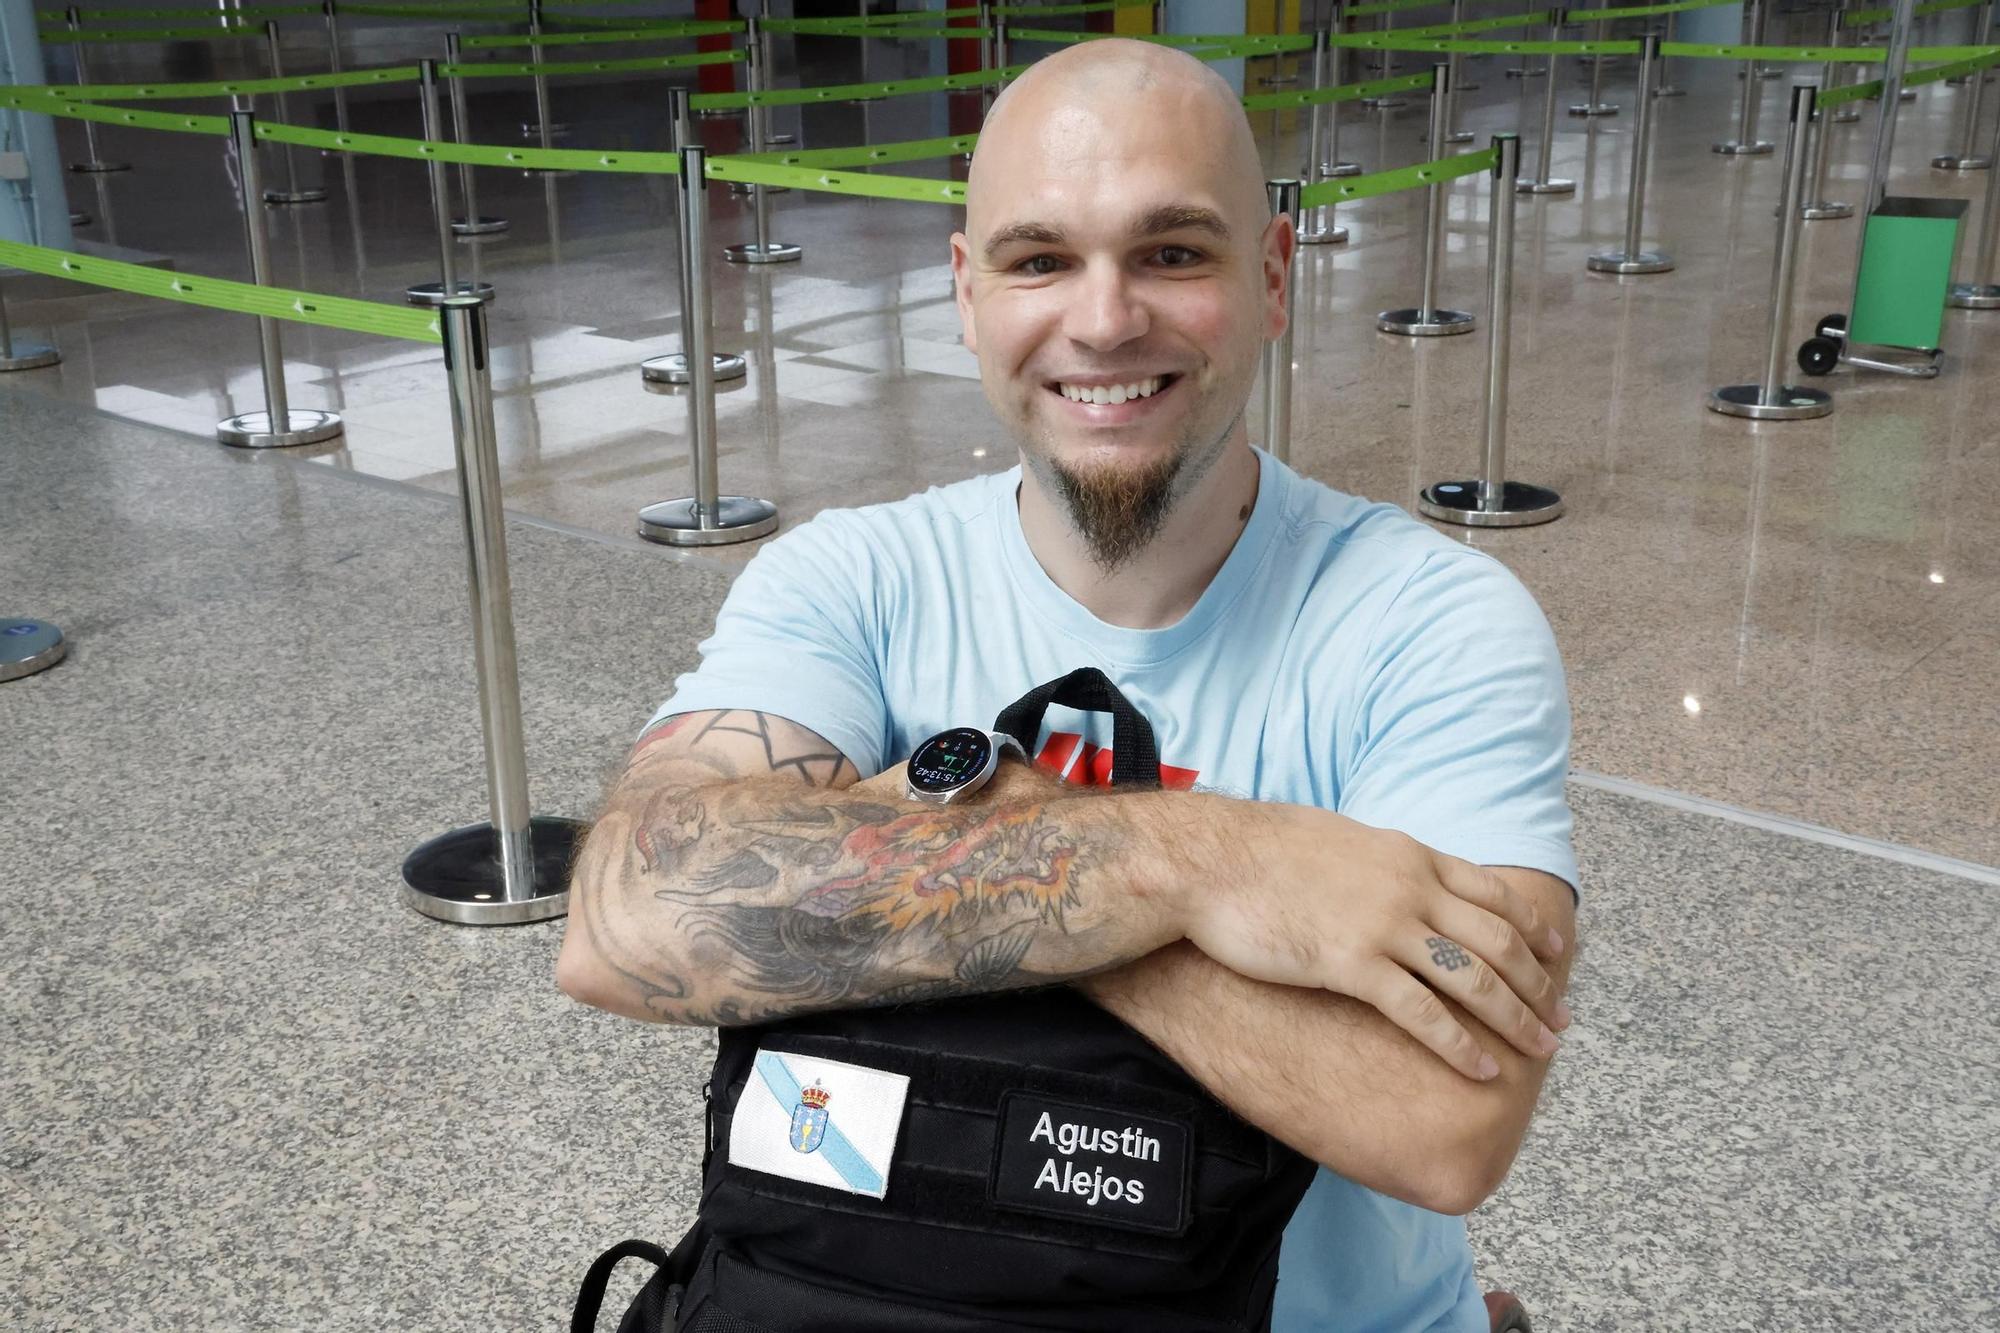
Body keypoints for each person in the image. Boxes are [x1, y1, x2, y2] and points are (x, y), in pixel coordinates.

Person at [559, 37, 1579, 1332]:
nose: (1103, 320)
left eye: (1173, 252)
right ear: (967, 294)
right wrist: (1199, 864)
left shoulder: (1429, 623)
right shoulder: (853, 579)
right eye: (1040, 260)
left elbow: (1444, 1117)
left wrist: (954, 866)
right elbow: (632, 912)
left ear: (1272, 277)